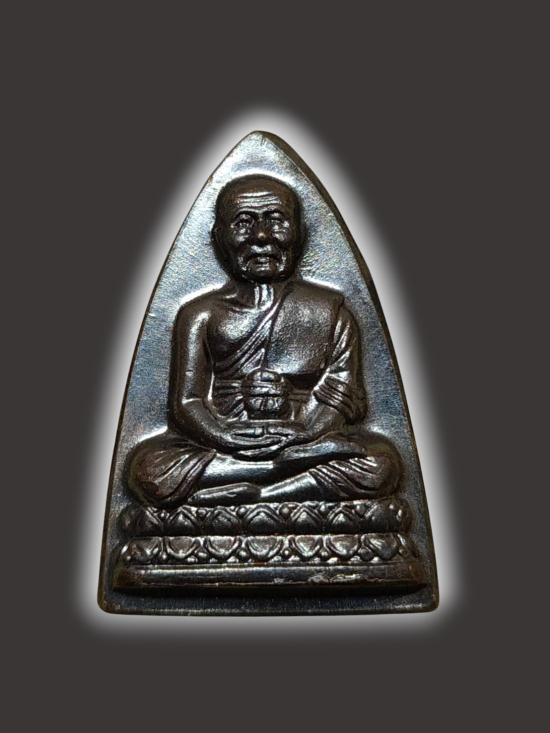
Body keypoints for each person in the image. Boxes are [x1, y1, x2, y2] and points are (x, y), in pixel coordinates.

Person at [129, 175, 400, 507]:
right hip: (227, 444)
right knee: (149, 469)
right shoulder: (200, 314)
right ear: (218, 237)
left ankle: (260, 493)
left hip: (302, 441)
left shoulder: (330, 311)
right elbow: (186, 403)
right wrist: (224, 436)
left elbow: (342, 398)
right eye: (243, 222)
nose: (260, 236)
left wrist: (305, 432)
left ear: (300, 232)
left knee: (381, 464)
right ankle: (274, 477)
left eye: (276, 220)